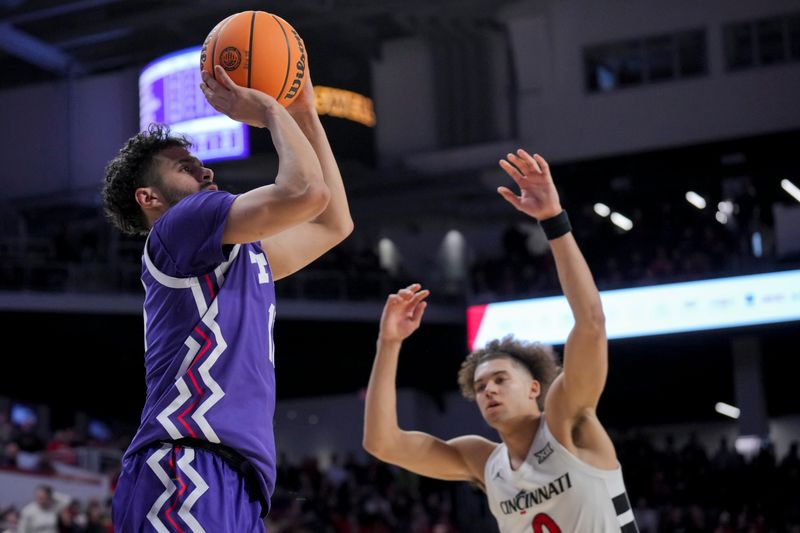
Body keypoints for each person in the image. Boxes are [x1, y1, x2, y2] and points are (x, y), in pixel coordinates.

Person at [103, 63, 352, 531]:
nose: (206, 170)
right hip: (185, 467)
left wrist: (305, 114)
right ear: (149, 198)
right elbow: (307, 193)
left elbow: (332, 224)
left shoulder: (238, 253)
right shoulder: (181, 223)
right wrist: (271, 110)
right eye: (185, 167)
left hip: (232, 483)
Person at [363, 149, 639, 532]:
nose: (488, 390)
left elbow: (591, 322)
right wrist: (388, 344)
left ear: (534, 388)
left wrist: (553, 222)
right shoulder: (481, 461)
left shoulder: (567, 418)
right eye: (480, 386)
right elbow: (383, 443)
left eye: (500, 379)